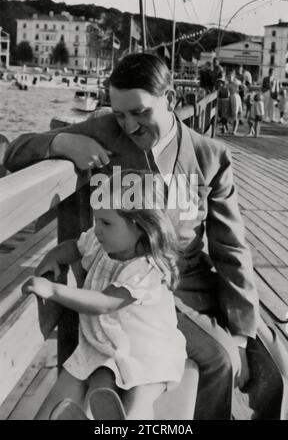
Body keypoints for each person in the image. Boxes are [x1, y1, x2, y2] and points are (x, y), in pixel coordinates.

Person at [4, 53, 288, 420]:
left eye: (140, 112)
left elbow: (231, 249)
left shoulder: (209, 156)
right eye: (120, 113)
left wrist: (242, 330)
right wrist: (61, 144)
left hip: (192, 282)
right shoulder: (106, 131)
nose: (130, 125)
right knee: (220, 360)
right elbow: (14, 151)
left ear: (169, 97)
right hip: (130, 288)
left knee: (270, 363)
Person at [22, 169, 187, 420]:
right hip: (109, 345)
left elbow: (104, 303)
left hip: (150, 352)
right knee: (101, 380)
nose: (97, 229)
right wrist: (51, 259)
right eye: (96, 220)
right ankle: (96, 418)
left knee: (140, 395)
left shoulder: (145, 268)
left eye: (106, 223)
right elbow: (73, 248)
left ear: (141, 226)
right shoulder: (101, 243)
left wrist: (54, 290)